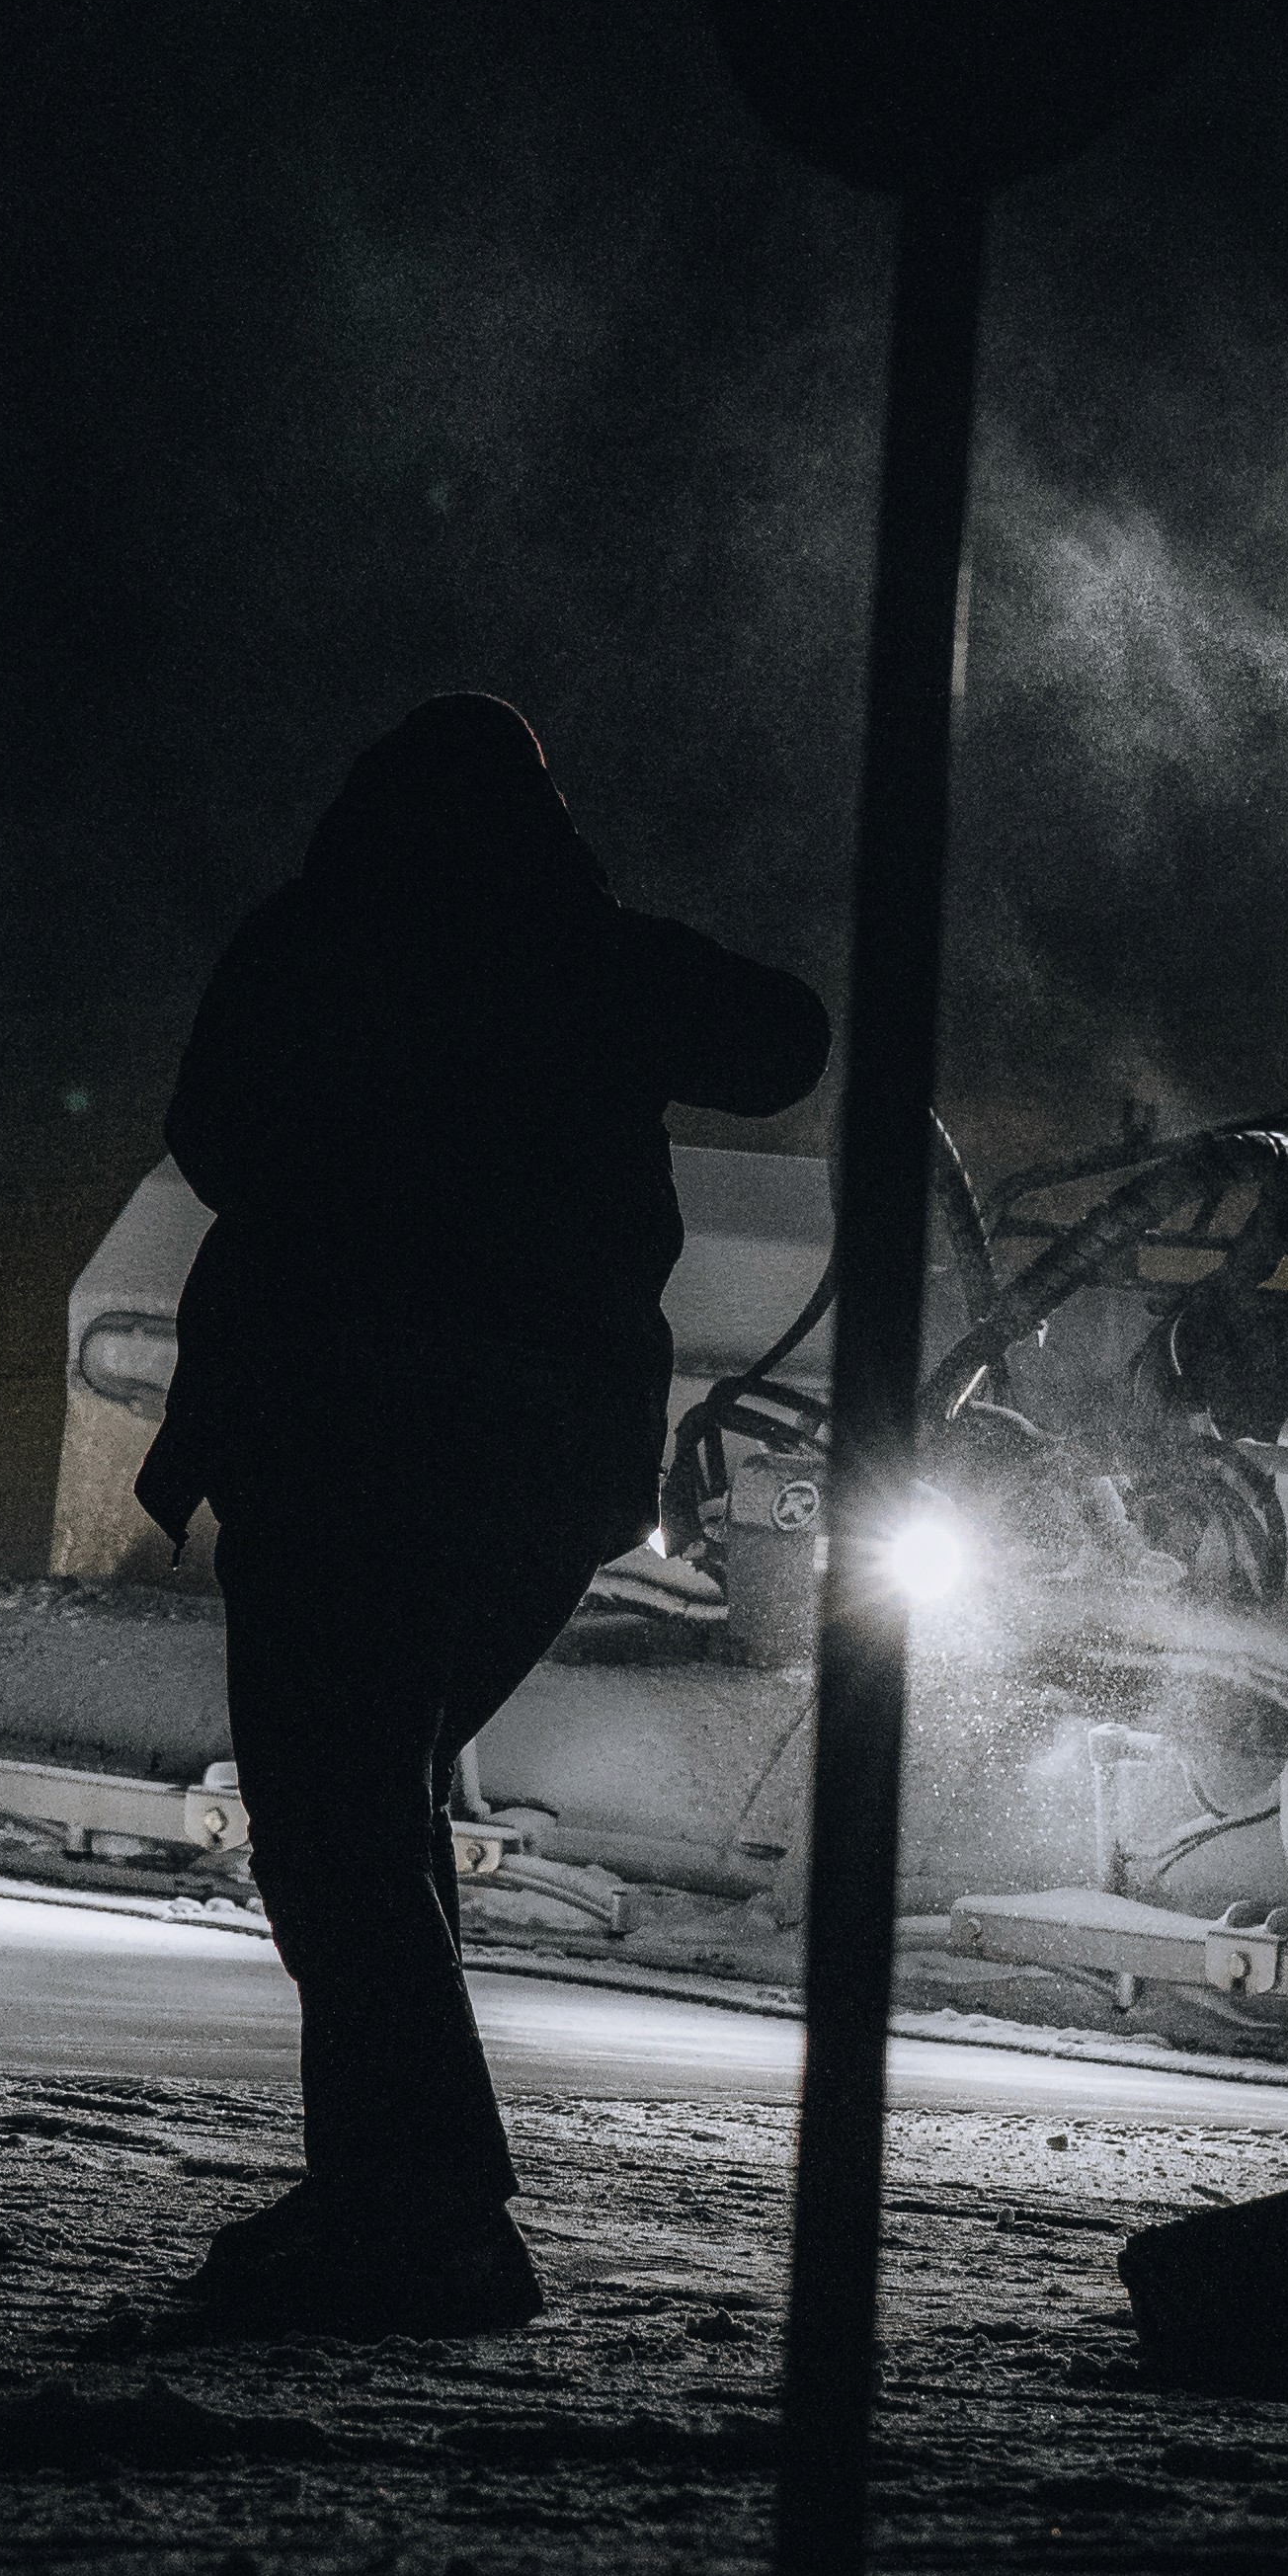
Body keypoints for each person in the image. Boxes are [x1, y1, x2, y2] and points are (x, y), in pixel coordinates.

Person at [134, 693, 831, 2336]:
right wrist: (577, 951)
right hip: (529, 1471)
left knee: (342, 1828)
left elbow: (215, 1138)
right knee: (373, 1818)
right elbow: (783, 1039)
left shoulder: (318, 944)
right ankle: (406, 2197)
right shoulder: (577, 954)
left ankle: (425, 2212)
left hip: (336, 1447)